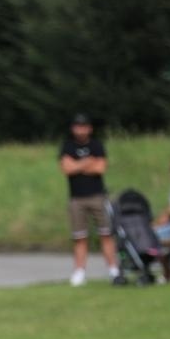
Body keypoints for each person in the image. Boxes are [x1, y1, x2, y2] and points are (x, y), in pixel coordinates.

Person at [58, 114, 121, 287]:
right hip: (76, 198)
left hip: (97, 196)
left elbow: (100, 168)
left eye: (84, 126)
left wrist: (77, 165)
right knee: (79, 236)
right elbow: (66, 168)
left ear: (89, 128)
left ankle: (113, 269)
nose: (81, 130)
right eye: (77, 126)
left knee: (106, 233)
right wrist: (87, 162)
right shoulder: (68, 146)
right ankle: (79, 271)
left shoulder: (96, 145)